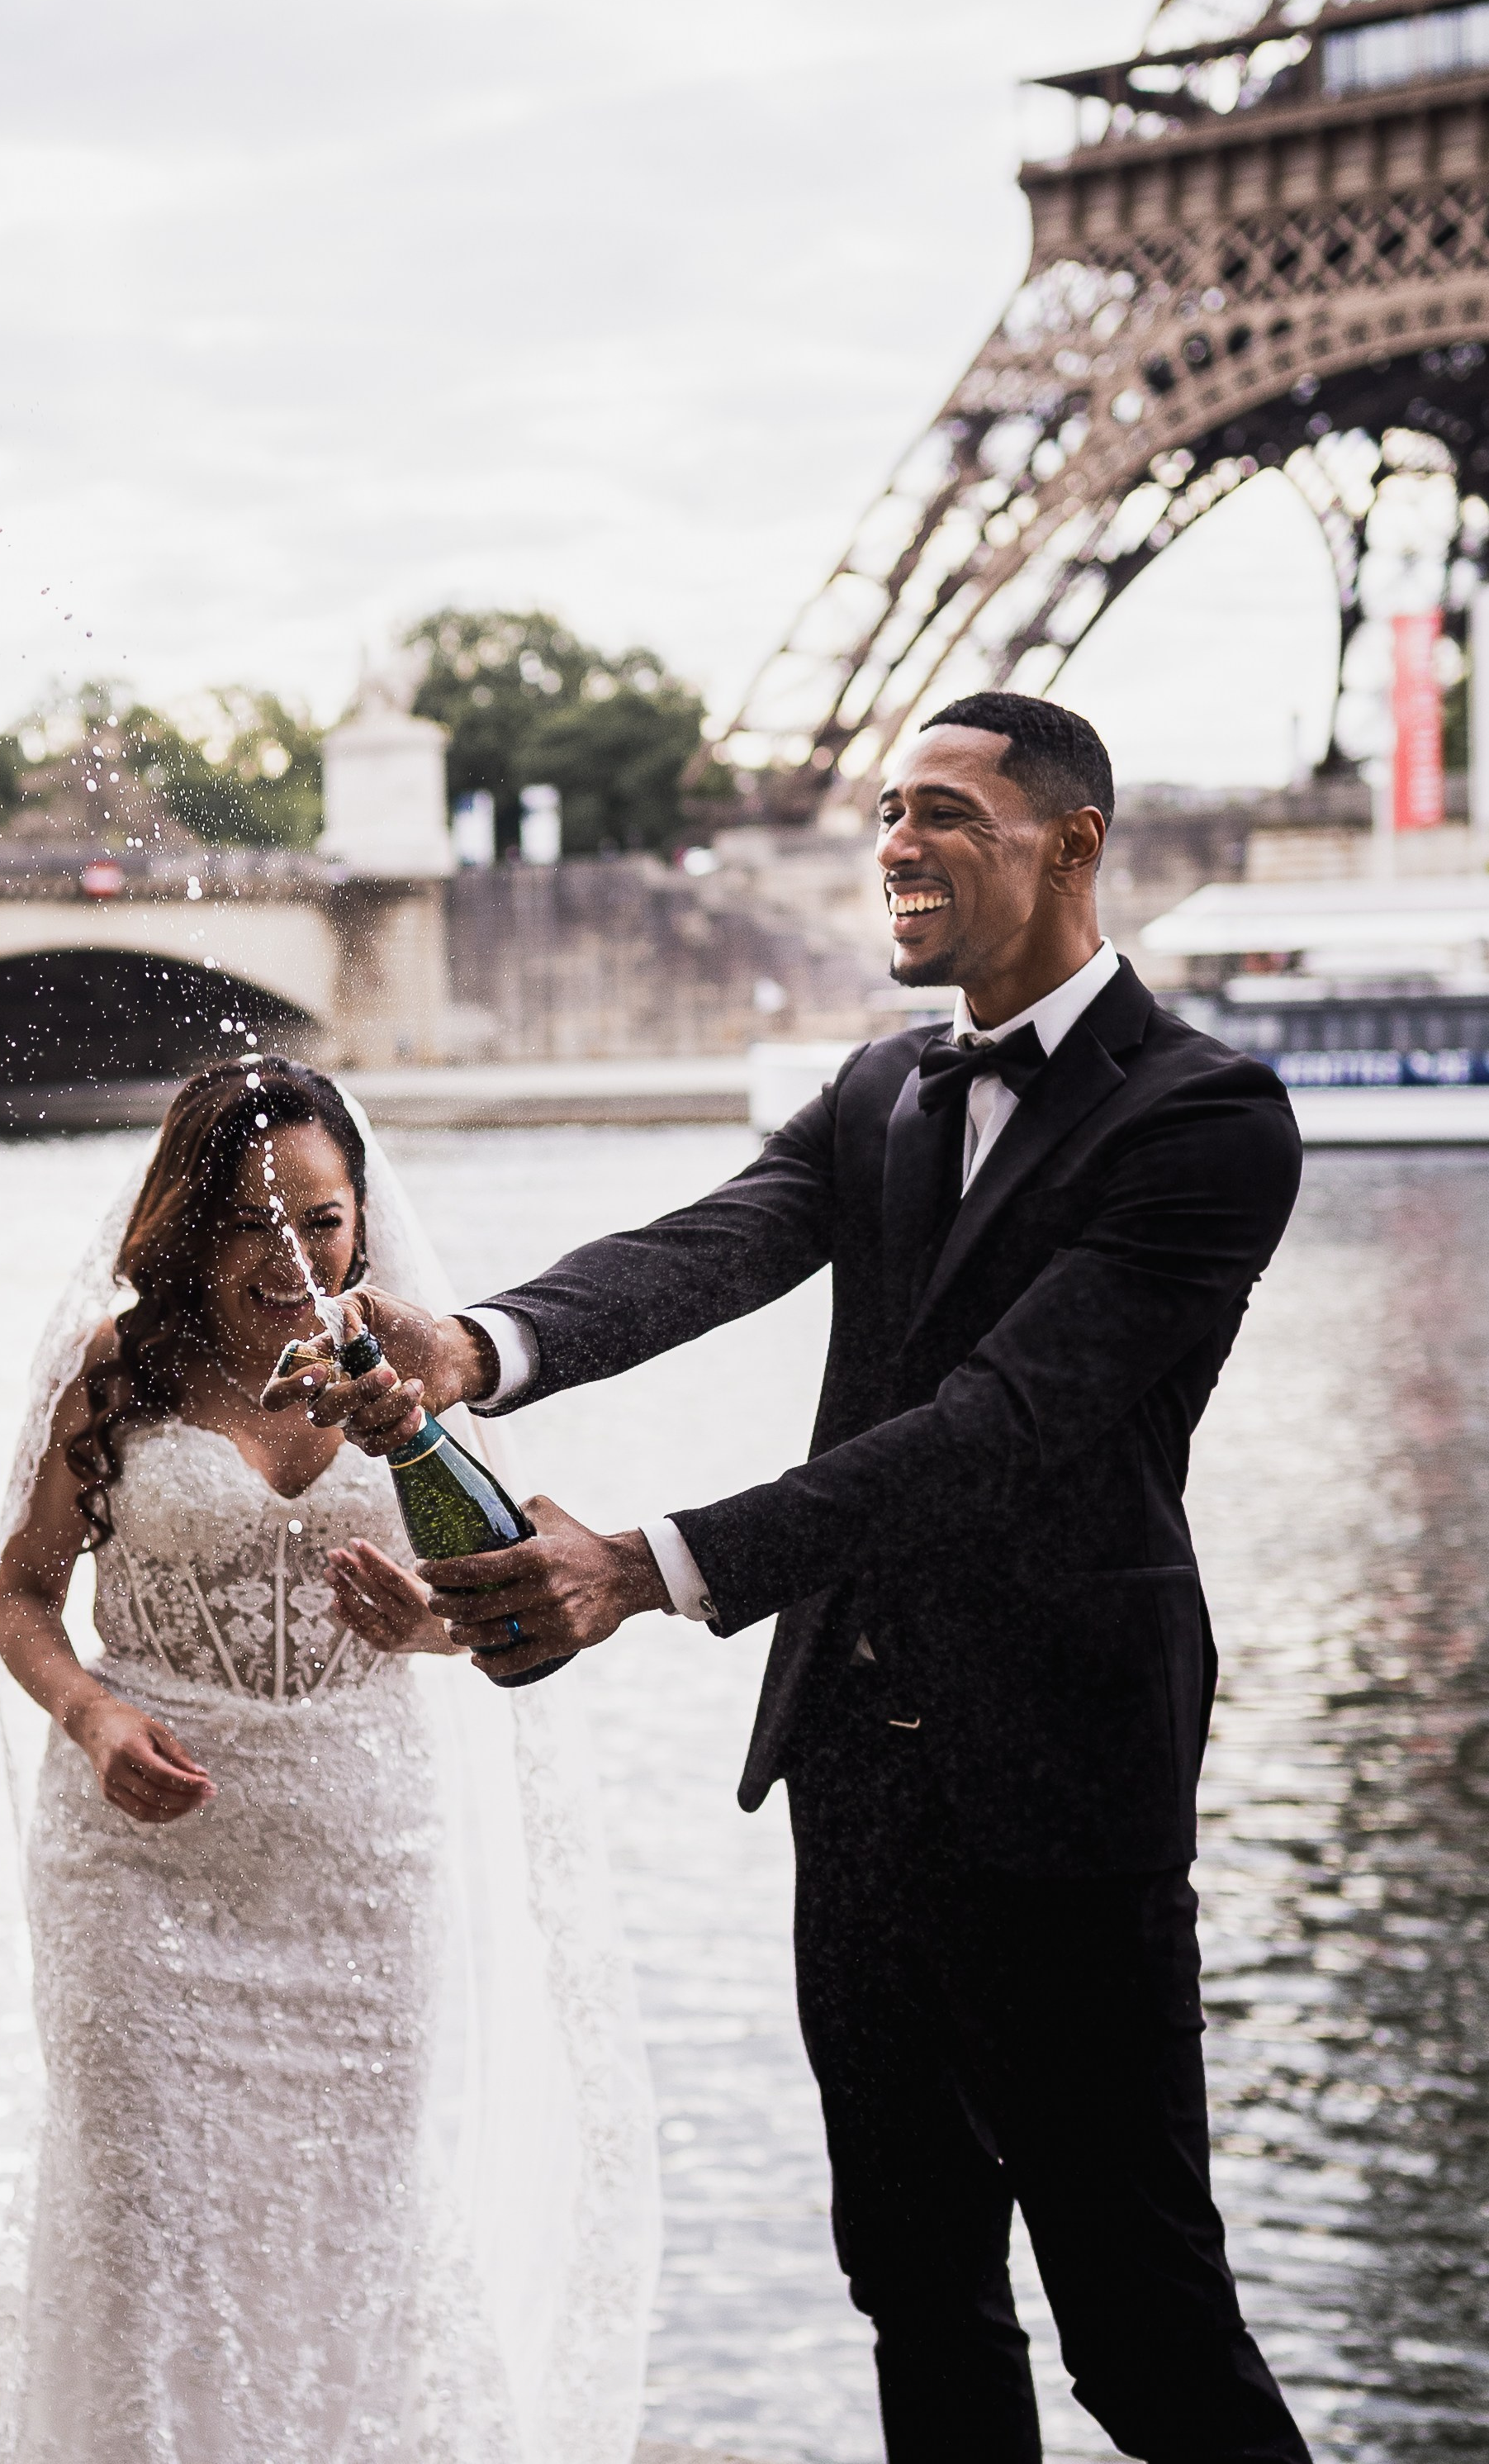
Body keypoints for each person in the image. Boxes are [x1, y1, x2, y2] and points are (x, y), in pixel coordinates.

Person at [281, 696, 1313, 2463]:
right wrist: (474, 1343)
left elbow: (995, 1429)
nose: (896, 842)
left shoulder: (1204, 1116)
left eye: (946, 812)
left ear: (1071, 842)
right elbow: (707, 1250)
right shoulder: (880, 1086)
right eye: (887, 809)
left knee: (1143, 2331)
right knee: (910, 2283)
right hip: (853, 1771)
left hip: (1065, 1785)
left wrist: (646, 1566)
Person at [0, 1057, 657, 2464]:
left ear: (360, 1220)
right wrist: (91, 1717)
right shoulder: (116, 1368)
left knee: (353, 2225)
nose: (290, 1259)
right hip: (143, 1870)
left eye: (321, 1223)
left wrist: (426, 1626)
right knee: (149, 2226)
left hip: (360, 1870)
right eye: (247, 1226)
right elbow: (22, 1597)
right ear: (187, 1226)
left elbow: (504, 1607)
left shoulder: (406, 1378)